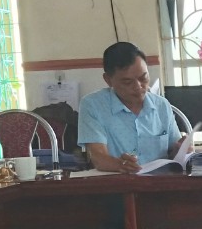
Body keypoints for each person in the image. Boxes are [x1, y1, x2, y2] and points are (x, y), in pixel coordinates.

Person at [78, 42, 186, 173]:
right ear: (108, 80)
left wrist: (181, 150)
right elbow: (98, 157)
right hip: (117, 182)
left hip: (159, 182)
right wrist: (120, 165)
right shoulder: (93, 105)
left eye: (143, 78)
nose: (138, 86)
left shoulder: (161, 105)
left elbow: (173, 153)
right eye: (127, 82)